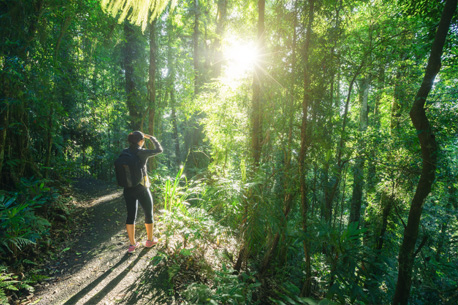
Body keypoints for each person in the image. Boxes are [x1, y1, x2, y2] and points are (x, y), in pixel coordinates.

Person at [123, 130, 163, 253]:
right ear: (141, 141)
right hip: (141, 187)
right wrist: (152, 137)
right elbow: (159, 150)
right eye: (143, 140)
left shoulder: (124, 152)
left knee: (131, 216)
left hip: (128, 188)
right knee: (148, 213)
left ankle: (132, 245)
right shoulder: (142, 152)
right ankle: (150, 241)